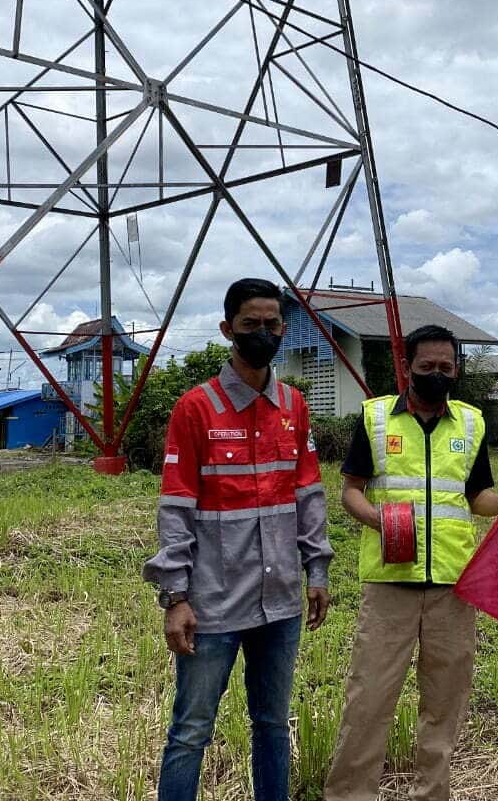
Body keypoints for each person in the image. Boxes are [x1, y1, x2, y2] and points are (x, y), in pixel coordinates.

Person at [143, 277, 333, 801]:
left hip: (280, 604)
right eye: (251, 324)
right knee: (190, 731)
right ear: (228, 329)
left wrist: (317, 571)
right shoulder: (196, 408)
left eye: (273, 324)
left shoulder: (294, 405)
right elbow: (177, 506)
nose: (263, 333)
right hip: (213, 605)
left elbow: (308, 496)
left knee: (273, 726)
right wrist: (175, 597)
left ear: (284, 330)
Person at [325, 324, 498, 801]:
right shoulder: (375, 419)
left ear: (457, 369)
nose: (437, 374)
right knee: (369, 701)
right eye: (427, 366)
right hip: (390, 583)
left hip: (454, 587)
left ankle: (431, 794)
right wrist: (379, 520)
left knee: (444, 706)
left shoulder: (471, 424)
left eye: (446, 368)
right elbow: (350, 490)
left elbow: (475, 500)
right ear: (407, 366)